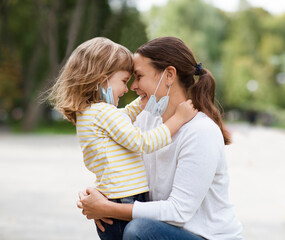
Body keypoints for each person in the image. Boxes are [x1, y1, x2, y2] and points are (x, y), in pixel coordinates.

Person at [77, 36, 243, 240]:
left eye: (138, 76)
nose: (133, 86)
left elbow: (178, 213)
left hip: (206, 236)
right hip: (165, 230)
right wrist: (99, 198)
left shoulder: (201, 131)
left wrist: (109, 208)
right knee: (112, 226)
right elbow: (123, 167)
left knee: (139, 231)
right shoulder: (147, 120)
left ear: (169, 75)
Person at [48, 37, 198, 240]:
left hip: (115, 198)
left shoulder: (92, 112)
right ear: (102, 78)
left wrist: (145, 98)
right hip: (123, 201)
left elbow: (124, 115)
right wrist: (177, 120)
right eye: (124, 81)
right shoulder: (103, 112)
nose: (127, 88)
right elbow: (142, 142)